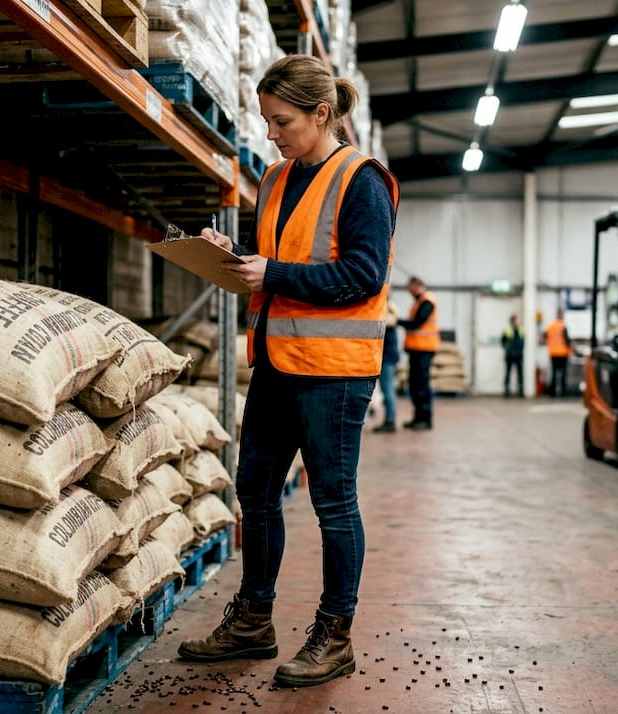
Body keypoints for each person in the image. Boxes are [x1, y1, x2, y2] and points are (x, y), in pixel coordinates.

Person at [178, 54, 399, 689]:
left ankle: (335, 634)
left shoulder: (361, 180)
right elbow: (283, 259)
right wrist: (236, 260)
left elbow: (362, 276)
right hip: (276, 362)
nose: (271, 134)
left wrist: (270, 272)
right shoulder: (274, 180)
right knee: (254, 492)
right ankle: (253, 619)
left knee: (333, 503)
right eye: (267, 121)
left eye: (282, 122)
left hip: (334, 372)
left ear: (321, 114)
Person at [398, 275, 439, 430]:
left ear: (417, 285)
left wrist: (397, 321)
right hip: (417, 350)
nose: (409, 292)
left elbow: (417, 322)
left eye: (410, 288)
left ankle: (425, 419)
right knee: (415, 385)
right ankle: (417, 418)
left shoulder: (428, 301)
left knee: (421, 384)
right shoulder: (419, 301)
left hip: (424, 349)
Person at [373, 301, 400, 432]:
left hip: (387, 359)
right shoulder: (390, 322)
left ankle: (390, 421)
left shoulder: (387, 324)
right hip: (388, 358)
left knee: (387, 390)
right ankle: (389, 420)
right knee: (387, 390)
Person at [541, 310, 573, 397]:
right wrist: (572, 350)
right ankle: (563, 392)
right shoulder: (563, 327)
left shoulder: (550, 327)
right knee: (563, 373)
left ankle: (552, 392)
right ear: (562, 316)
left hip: (553, 353)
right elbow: (567, 341)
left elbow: (544, 337)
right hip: (563, 353)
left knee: (554, 373)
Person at [501, 314, 526, 397]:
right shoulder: (507, 330)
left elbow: (524, 341)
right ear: (513, 321)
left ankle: (521, 390)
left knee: (520, 373)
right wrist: (507, 348)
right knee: (508, 373)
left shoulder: (522, 330)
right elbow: (503, 341)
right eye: (517, 320)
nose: (518, 322)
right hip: (510, 354)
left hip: (519, 355)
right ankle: (506, 390)